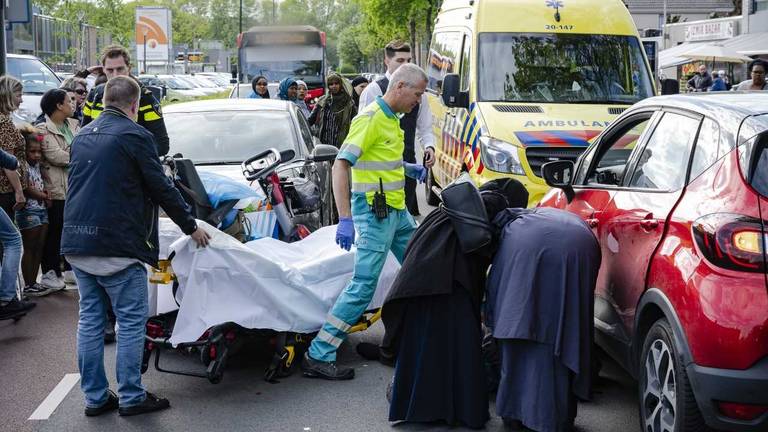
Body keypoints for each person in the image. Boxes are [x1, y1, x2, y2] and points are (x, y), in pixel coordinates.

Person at [61, 76, 211, 417]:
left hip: (77, 243)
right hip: (117, 245)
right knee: (130, 323)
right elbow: (161, 187)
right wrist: (191, 227)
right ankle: (131, 396)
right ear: (134, 105)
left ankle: (96, 398)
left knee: (90, 321)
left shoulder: (82, 134)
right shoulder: (135, 135)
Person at [301, 64, 430, 380]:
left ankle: (412, 341)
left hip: (396, 214)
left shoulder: (391, 119)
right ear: (400, 86)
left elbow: (378, 159)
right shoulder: (370, 118)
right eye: (417, 94)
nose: (419, 101)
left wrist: (405, 167)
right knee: (363, 286)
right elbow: (341, 165)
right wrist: (346, 218)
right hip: (374, 215)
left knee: (424, 270)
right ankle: (318, 353)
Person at [382, 179, 529, 429]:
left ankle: (420, 406)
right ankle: (460, 410)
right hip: (451, 281)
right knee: (459, 349)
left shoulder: (456, 203)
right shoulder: (494, 205)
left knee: (424, 348)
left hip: (420, 278)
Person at [486, 207, 601, 432]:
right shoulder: (535, 214)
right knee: (567, 325)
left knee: (519, 331)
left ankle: (520, 414)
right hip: (584, 245)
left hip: (550, 250)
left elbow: (497, 290)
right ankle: (558, 415)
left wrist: (494, 319)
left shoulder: (509, 234)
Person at [358, 40, 435, 216]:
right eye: (400, 61)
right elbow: (361, 136)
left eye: (409, 60)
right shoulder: (373, 90)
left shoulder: (420, 94)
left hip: (407, 164)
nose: (406, 65)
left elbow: (425, 127)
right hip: (379, 174)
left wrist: (429, 147)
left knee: (405, 220)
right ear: (387, 61)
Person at [82, 45, 169, 156]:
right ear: (103, 69)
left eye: (120, 69)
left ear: (129, 68)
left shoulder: (144, 98)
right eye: (110, 70)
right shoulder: (95, 96)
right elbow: (83, 136)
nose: (115, 75)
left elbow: (161, 145)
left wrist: (127, 156)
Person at [0, 76, 36, 320]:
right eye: (18, 94)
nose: (22, 99)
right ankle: (7, 298)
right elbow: (7, 161)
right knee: (12, 241)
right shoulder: (3, 122)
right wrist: (19, 190)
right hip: (5, 189)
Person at [38, 89, 80, 291]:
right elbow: (57, 157)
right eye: (69, 101)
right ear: (58, 106)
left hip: (75, 188)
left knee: (72, 230)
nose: (73, 104)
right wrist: (77, 152)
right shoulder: (43, 130)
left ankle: (70, 269)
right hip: (56, 189)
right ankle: (50, 272)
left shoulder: (74, 125)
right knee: (55, 231)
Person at [15, 126, 53, 297]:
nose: (36, 155)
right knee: (29, 247)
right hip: (28, 210)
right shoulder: (22, 166)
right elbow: (27, 188)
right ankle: (27, 284)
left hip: (41, 209)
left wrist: (47, 194)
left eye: (39, 152)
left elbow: (44, 182)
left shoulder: (39, 165)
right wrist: (44, 196)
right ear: (24, 151)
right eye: (32, 151)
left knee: (39, 247)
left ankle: (33, 282)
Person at [308, 73, 357, 148]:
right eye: (331, 84)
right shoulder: (322, 101)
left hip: (342, 145)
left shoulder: (349, 103)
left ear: (340, 84)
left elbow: (356, 122)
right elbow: (311, 120)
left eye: (336, 83)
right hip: (323, 144)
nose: (334, 86)